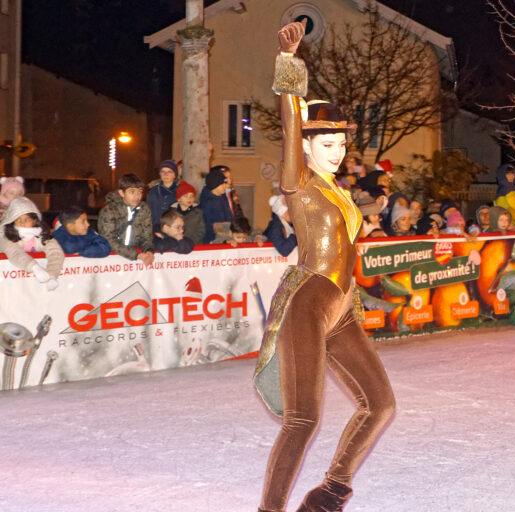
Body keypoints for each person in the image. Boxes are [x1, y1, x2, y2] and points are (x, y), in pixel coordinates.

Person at [253, 20, 394, 512]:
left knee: (380, 405)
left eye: (341, 146)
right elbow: (293, 122)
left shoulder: (337, 190)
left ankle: (331, 490)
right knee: (303, 419)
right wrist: (290, 65)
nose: (337, 154)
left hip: (341, 306)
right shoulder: (301, 181)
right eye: (327, 145)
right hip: (309, 301)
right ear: (308, 148)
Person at [0, 197, 64, 291]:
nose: (22, 223)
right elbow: (15, 253)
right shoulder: (7, 237)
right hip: (10, 284)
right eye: (18, 220)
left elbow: (56, 252)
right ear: (12, 221)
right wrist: (34, 267)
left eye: (27, 220)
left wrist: (52, 275)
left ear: (34, 220)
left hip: (32, 286)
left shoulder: (41, 236)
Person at [98, 174, 154, 266]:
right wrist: (136, 255)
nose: (137, 196)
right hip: (113, 260)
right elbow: (108, 240)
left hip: (136, 258)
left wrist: (148, 251)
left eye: (140, 192)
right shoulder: (109, 210)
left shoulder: (144, 209)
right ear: (121, 193)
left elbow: (147, 235)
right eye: (132, 192)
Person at [199, 166, 234, 243]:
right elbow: (210, 226)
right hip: (215, 241)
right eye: (222, 185)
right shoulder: (207, 202)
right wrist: (224, 238)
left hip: (226, 237)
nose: (225, 186)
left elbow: (229, 217)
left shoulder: (222, 197)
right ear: (215, 186)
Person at [170, 180, 205, 245]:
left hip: (195, 245)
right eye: (186, 196)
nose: (189, 198)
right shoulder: (171, 214)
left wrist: (190, 242)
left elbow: (201, 231)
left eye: (191, 196)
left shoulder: (199, 213)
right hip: (176, 245)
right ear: (179, 199)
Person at [146, 159, 179, 225]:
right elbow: (147, 213)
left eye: (169, 172)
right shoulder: (153, 191)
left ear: (175, 175)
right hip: (155, 229)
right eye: (163, 172)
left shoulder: (180, 191)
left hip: (173, 229)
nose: (165, 174)